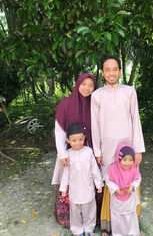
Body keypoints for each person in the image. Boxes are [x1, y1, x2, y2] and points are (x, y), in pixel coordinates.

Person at [91, 55, 145, 235]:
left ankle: (132, 225)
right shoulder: (97, 95)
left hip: (128, 147)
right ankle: (109, 226)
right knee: (111, 184)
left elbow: (135, 120)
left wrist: (138, 149)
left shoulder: (129, 91)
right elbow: (95, 125)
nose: (111, 73)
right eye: (107, 69)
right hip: (107, 148)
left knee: (129, 180)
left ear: (120, 71)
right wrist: (97, 151)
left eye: (115, 69)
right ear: (102, 72)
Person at [51, 73, 96, 228]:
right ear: (77, 84)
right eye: (84, 84)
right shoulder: (65, 104)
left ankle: (89, 219)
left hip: (88, 151)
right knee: (67, 180)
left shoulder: (95, 103)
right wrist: (62, 153)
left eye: (91, 85)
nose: (87, 88)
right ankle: (67, 218)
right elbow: (59, 130)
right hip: (69, 153)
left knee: (88, 180)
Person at [59, 123, 104, 236]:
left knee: (90, 210)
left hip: (87, 187)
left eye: (80, 139)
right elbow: (65, 173)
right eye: (74, 140)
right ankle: (77, 230)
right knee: (75, 212)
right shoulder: (68, 154)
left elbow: (94, 169)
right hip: (75, 189)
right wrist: (64, 188)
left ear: (84, 138)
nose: (77, 142)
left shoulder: (88, 151)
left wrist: (98, 184)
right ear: (68, 140)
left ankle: (89, 229)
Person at [105, 144, 141, 236]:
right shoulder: (113, 169)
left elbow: (137, 179)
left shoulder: (133, 169)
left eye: (130, 160)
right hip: (117, 200)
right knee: (117, 218)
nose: (127, 163)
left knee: (130, 217)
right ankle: (118, 234)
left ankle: (132, 233)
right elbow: (108, 180)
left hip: (129, 199)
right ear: (119, 158)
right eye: (124, 160)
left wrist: (132, 187)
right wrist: (116, 189)